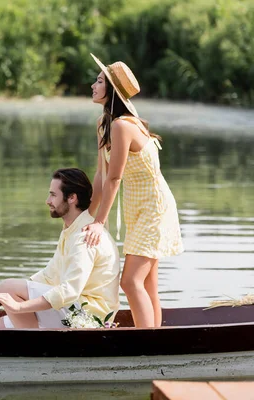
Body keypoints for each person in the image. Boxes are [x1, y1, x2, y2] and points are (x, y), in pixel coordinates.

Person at [82, 53, 184, 328]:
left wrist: (100, 222)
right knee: (148, 283)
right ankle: (155, 343)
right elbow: (102, 176)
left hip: (154, 208)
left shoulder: (122, 125)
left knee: (130, 282)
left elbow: (115, 179)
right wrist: (86, 219)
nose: (93, 85)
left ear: (112, 90)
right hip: (138, 209)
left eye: (100, 80)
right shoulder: (105, 124)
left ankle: (147, 345)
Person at [0, 168, 120, 329]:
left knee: (8, 287)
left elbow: (70, 290)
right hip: (73, 308)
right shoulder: (71, 229)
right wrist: (1, 293)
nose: (47, 200)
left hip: (90, 317)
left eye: (53, 195)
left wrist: (18, 306)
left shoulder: (85, 237)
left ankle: (36, 346)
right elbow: (50, 275)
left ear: (72, 198)